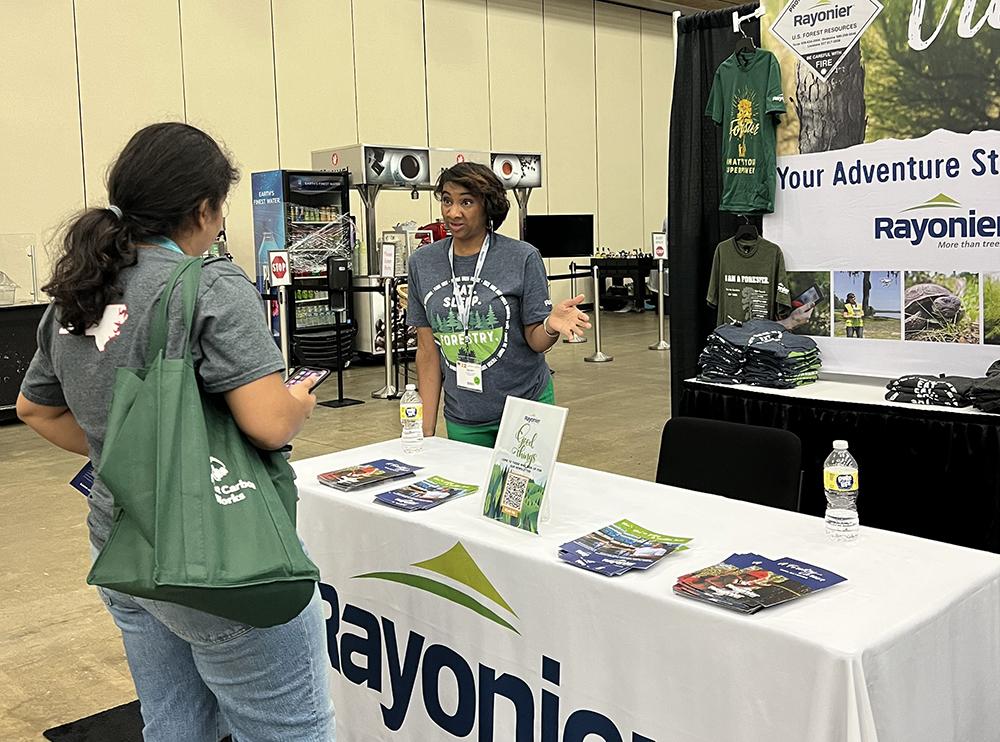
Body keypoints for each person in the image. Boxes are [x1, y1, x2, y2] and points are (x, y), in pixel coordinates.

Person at [16, 123, 335, 742]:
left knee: (173, 723)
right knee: (289, 730)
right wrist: (298, 400)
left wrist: (130, 452)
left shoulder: (79, 290)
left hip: (121, 548)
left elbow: (36, 409)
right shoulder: (209, 283)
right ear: (203, 208)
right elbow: (267, 423)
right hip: (215, 557)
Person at [407, 162, 591, 448]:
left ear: (487, 206)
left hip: (526, 408)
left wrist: (550, 326)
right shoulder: (422, 263)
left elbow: (535, 340)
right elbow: (428, 352)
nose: (453, 212)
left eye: (466, 202)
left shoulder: (522, 257)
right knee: (472, 492)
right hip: (464, 415)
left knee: (524, 492)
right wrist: (425, 433)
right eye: (447, 200)